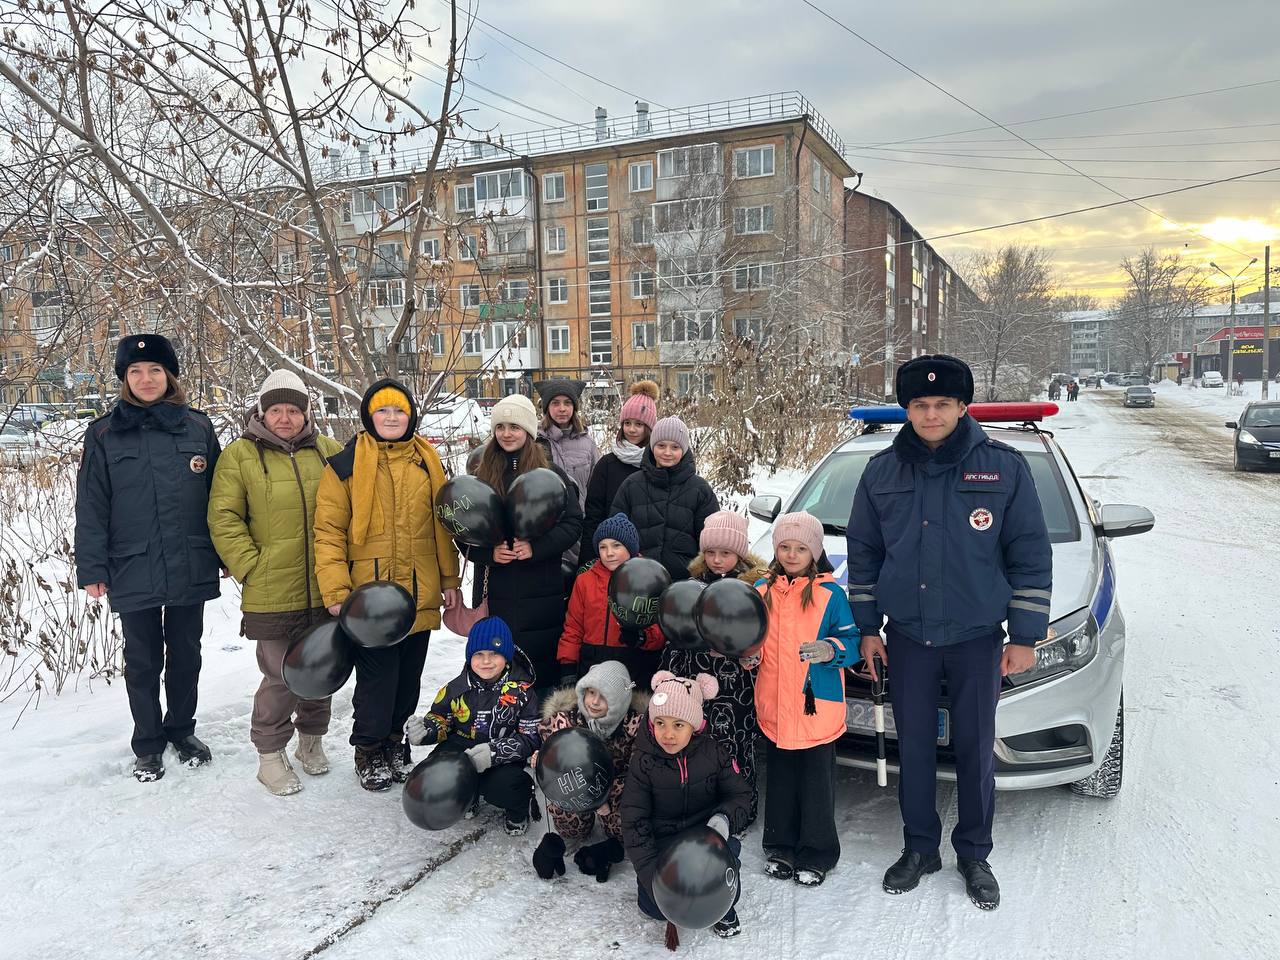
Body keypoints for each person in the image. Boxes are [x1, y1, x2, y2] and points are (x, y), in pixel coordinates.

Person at [845, 354, 1052, 911]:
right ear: (906, 410)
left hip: (976, 638)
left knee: (975, 750)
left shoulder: (1003, 468)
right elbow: (863, 555)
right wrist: (868, 628)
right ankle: (920, 848)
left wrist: (1024, 636)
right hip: (908, 638)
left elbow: (1030, 554)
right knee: (914, 748)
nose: (931, 414)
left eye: (942, 404)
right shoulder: (881, 472)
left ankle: (974, 853)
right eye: (919, 404)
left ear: (963, 407)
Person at [75, 333, 222, 783]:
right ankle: (148, 743)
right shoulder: (104, 433)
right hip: (131, 563)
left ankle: (182, 730)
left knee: (186, 654)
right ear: (125, 379)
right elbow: (92, 504)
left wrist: (225, 553)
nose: (146, 379)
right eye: (135, 372)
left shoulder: (198, 428)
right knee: (141, 660)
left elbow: (221, 499)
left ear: (169, 375)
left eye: (155, 370)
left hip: (189, 559)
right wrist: (92, 567)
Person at [313, 379, 461, 792]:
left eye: (399, 410)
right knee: (377, 679)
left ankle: (396, 743)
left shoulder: (428, 462)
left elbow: (443, 527)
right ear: (369, 416)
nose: (392, 417)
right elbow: (328, 532)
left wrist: (449, 579)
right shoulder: (344, 466)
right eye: (383, 410)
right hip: (370, 598)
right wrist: (336, 592)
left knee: (409, 677)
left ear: (410, 416)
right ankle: (368, 749)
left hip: (419, 588)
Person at [207, 369, 344, 796]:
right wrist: (251, 566)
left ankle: (311, 741)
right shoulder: (240, 455)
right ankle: (269, 756)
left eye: (294, 410)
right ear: (262, 412)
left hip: (325, 586)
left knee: (321, 668)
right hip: (272, 589)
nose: (285, 418)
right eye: (276, 410)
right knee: (281, 676)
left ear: (307, 413)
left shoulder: (329, 451)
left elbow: (354, 507)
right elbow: (223, 517)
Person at [747, 511, 856, 886]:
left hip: (815, 707)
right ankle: (780, 847)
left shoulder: (831, 594)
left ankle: (817, 852)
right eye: (785, 547)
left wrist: (831, 649)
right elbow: (751, 637)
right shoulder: (761, 590)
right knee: (780, 781)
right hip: (775, 704)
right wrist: (749, 655)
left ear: (815, 552)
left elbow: (852, 640)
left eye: (801, 548)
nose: (792, 555)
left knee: (815, 784)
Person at [621, 671, 752, 947]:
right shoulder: (643, 763)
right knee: (654, 908)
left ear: (694, 725)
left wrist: (724, 819)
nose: (668, 734)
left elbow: (740, 795)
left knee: (726, 891)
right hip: (665, 849)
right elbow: (634, 823)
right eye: (660, 723)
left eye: (678, 724)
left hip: (707, 842)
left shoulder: (714, 753)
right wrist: (653, 879)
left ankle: (722, 900)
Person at [467, 393, 583, 692]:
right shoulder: (482, 476)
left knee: (540, 668)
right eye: (500, 427)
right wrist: (489, 553)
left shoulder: (551, 475)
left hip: (541, 586)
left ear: (529, 431)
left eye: (515, 427)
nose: (507, 433)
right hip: (496, 587)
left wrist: (536, 548)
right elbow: (462, 531)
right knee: (496, 665)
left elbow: (573, 524)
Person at [658, 511, 767, 824]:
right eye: (711, 552)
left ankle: (739, 810)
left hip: (737, 687)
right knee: (698, 744)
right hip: (696, 677)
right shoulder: (691, 585)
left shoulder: (753, 587)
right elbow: (678, 632)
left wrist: (750, 656)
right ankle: (702, 808)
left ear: (740, 553)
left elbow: (761, 634)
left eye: (725, 553)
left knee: (736, 746)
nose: (717, 560)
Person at [405, 617, 540, 835]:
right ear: (469, 657)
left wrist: (494, 753)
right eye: (478, 654)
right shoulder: (455, 688)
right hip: (462, 747)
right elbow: (441, 718)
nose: (486, 661)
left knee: (508, 785)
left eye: (494, 653)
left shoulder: (523, 693)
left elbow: (531, 738)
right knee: (439, 766)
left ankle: (517, 812)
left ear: (506, 656)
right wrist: (426, 730)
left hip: (501, 757)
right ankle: (467, 797)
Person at [530, 660, 648, 883]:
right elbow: (555, 756)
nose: (594, 701)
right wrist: (542, 759)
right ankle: (579, 824)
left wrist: (606, 796)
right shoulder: (566, 718)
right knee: (570, 827)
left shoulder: (636, 727)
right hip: (576, 785)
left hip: (615, 788)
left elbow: (641, 773)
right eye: (591, 692)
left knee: (622, 829)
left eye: (604, 696)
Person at [556, 513, 664, 688]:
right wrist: (568, 667)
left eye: (616, 545)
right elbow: (573, 627)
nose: (609, 553)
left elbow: (659, 629)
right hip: (591, 665)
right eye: (603, 547)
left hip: (633, 665)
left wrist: (642, 637)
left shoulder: (649, 579)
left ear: (630, 547)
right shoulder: (585, 580)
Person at [610, 415, 719, 582]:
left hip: (684, 583)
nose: (667, 453)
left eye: (675, 447)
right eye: (661, 446)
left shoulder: (700, 490)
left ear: (684, 450)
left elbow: (711, 542)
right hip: (637, 579)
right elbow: (615, 534)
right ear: (652, 446)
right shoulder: (632, 485)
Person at [579, 380, 658, 560]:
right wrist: (588, 561)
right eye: (627, 423)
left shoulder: (657, 465)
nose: (631, 429)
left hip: (648, 557)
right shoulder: (607, 465)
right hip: (611, 556)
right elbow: (593, 516)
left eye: (639, 424)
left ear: (649, 428)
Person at [535, 378, 600, 512]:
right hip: (545, 518)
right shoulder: (535, 442)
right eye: (555, 403)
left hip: (579, 519)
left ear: (574, 407)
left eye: (567, 403)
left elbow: (596, 490)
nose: (562, 409)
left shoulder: (588, 444)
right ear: (547, 407)